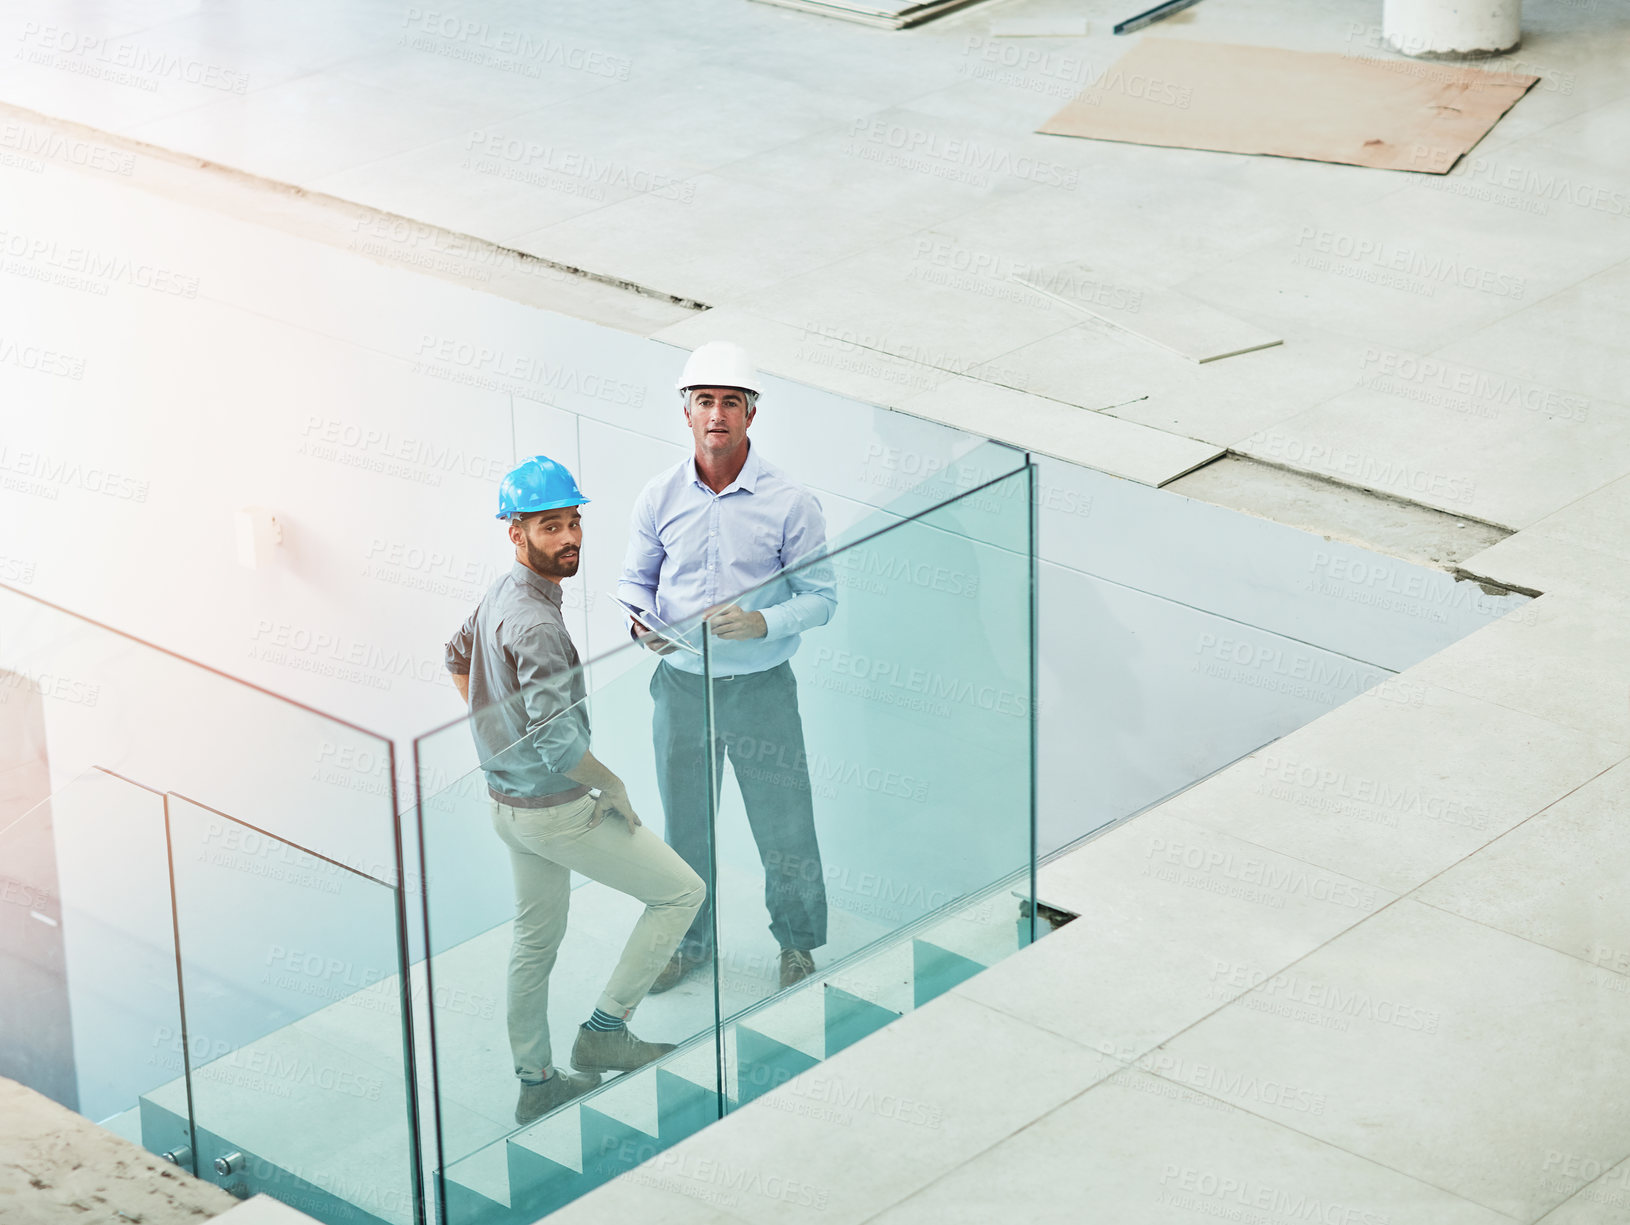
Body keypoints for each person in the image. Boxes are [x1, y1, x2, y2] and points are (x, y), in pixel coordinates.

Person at [445, 455, 705, 1127]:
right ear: (515, 532)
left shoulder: (500, 596)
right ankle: (606, 1030)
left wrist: (496, 734)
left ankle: (536, 1081)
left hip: (510, 806)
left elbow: (455, 655)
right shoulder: (536, 624)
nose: (568, 538)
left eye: (573, 523)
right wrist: (611, 784)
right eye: (550, 526)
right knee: (682, 892)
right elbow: (560, 745)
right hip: (556, 810)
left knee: (535, 941)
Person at [618, 342, 837, 995]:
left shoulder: (791, 503)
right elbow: (636, 582)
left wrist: (762, 622)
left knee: (785, 822)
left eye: (730, 403)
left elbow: (823, 598)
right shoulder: (658, 497)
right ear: (687, 413)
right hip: (680, 688)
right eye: (705, 401)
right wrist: (640, 625)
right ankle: (689, 943)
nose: (717, 414)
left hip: (761, 689)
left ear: (750, 415)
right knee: (683, 827)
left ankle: (797, 945)